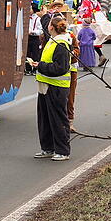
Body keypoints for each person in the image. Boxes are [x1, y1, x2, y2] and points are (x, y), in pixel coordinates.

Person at [34, 15, 73, 162]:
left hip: (56, 87)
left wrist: (40, 66)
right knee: (45, 119)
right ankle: (48, 148)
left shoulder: (61, 44)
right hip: (46, 85)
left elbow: (61, 68)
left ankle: (62, 151)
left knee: (58, 120)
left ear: (51, 27)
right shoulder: (54, 41)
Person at [25, 2, 43, 75]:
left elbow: (40, 30)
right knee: (27, 53)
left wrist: (33, 32)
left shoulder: (38, 19)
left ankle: (35, 69)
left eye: (30, 8)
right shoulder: (26, 17)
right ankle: (28, 68)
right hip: (27, 38)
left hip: (34, 38)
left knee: (35, 53)